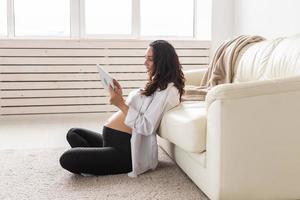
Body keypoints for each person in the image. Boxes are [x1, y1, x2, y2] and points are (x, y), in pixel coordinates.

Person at [59, 40, 185, 177]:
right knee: (73, 133)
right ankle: (99, 162)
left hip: (126, 150)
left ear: (163, 62)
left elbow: (147, 126)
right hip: (112, 141)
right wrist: (120, 96)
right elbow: (136, 110)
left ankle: (101, 162)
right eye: (145, 58)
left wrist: (120, 104)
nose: (145, 63)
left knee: (67, 158)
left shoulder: (168, 91)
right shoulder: (157, 84)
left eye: (150, 59)